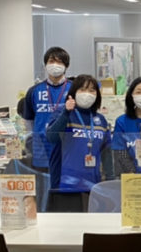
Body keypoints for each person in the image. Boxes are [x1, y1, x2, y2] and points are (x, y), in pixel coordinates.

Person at [45, 74, 111, 212]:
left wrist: (110, 180)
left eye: (92, 90)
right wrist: (66, 112)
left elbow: (107, 153)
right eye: (82, 89)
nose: (87, 94)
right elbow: (52, 137)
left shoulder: (100, 120)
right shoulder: (62, 113)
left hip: (93, 185)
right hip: (65, 185)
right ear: (74, 92)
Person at [22, 46, 72, 170]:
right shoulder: (34, 91)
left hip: (67, 148)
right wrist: (34, 140)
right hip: (41, 150)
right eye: (51, 61)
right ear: (45, 65)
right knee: (43, 181)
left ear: (66, 66)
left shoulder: (74, 89)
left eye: (59, 62)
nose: (55, 65)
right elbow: (28, 121)